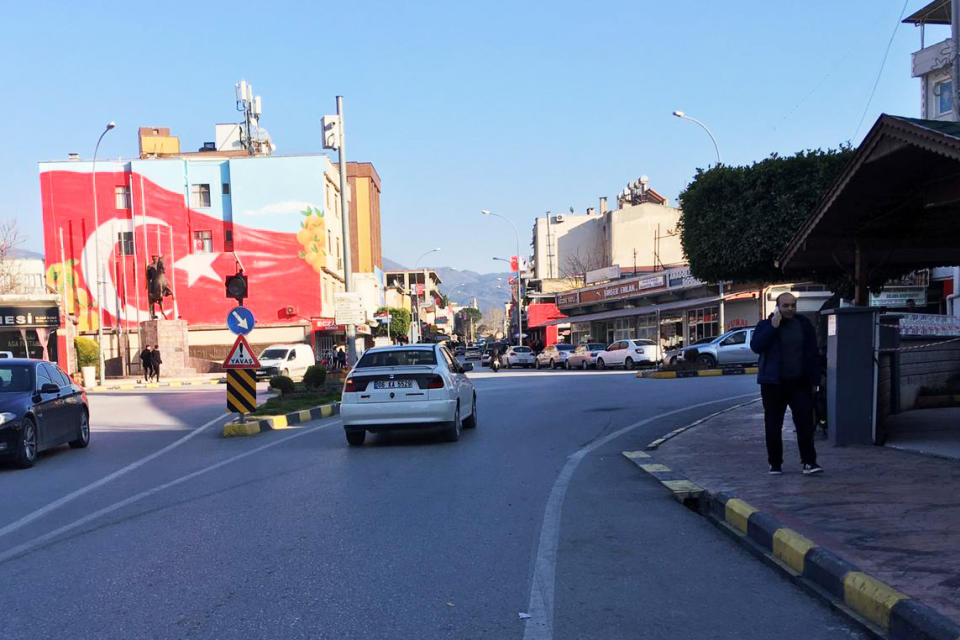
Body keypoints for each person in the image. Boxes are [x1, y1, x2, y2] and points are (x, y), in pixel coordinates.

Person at [750, 292, 823, 476]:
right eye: (786, 306)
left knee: (805, 424)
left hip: (800, 383)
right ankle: (775, 463)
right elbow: (756, 346)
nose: (790, 309)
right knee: (773, 424)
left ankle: (809, 462)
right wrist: (773, 327)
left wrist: (814, 380)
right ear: (778, 307)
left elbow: (813, 353)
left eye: (793, 305)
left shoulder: (804, 325)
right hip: (773, 384)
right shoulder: (766, 325)